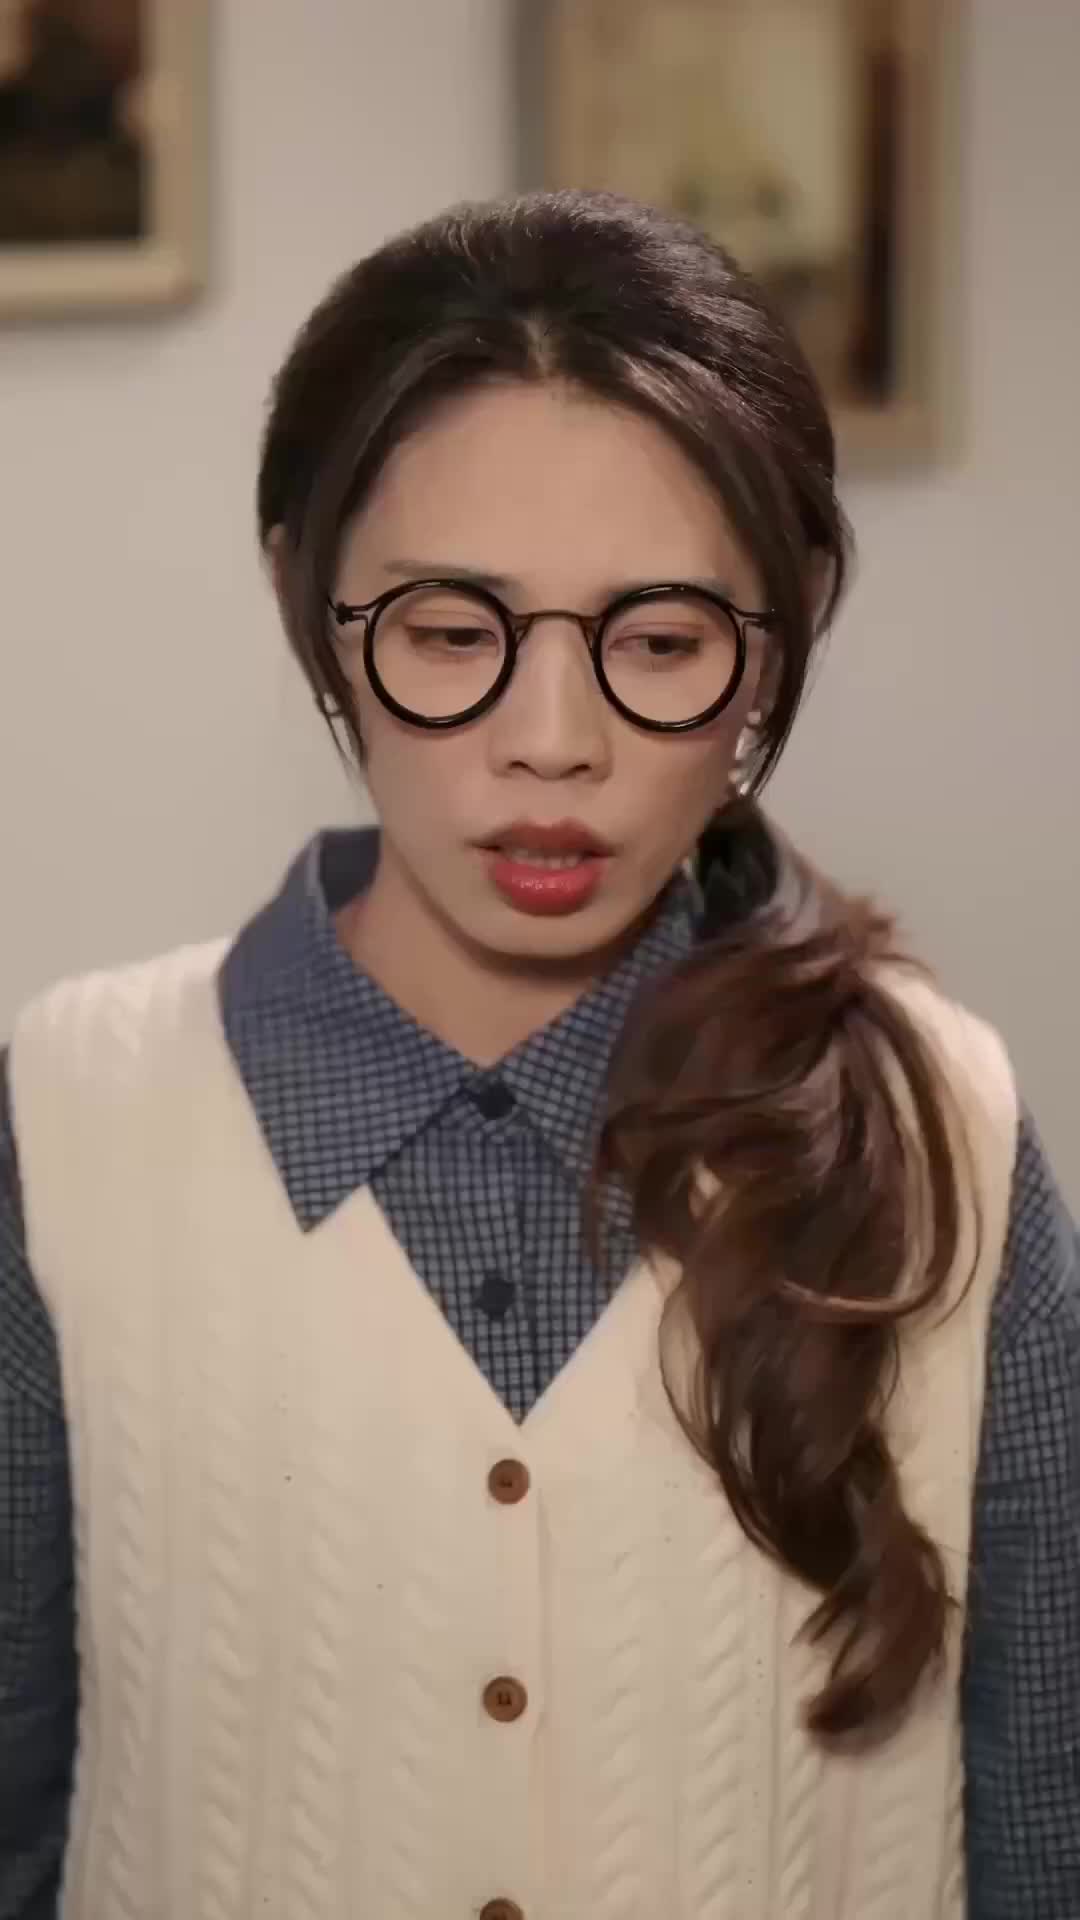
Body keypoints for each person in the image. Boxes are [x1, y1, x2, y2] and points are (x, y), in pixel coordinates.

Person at [0, 190, 1077, 1920]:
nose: (552, 743)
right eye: (451, 634)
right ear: (308, 608)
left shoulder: (946, 1130)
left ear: (781, 636)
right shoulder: (75, 1123)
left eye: (660, 643)